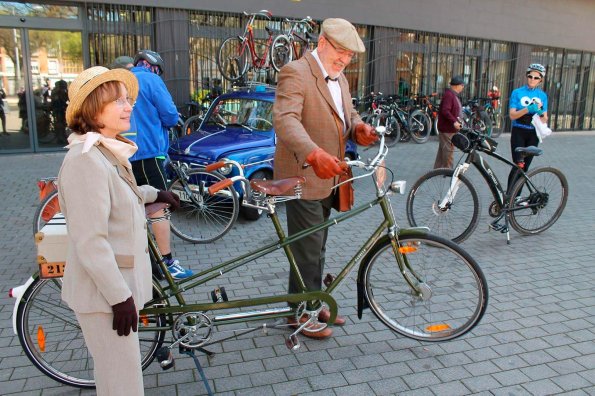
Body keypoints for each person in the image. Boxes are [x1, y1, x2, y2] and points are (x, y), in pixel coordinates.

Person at [57, 65, 181, 395]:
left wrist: (157, 194)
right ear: (94, 108)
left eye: (128, 99)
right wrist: (119, 298)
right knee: (121, 385)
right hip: (104, 298)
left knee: (120, 378)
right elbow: (90, 241)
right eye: (119, 101)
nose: (129, 107)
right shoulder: (85, 159)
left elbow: (120, 196)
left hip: (113, 294)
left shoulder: (105, 150)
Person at [273, 18, 378, 339]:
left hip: (330, 178)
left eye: (350, 55)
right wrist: (312, 153)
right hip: (303, 176)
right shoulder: (296, 72)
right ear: (322, 43)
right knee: (306, 249)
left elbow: (348, 115)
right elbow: (285, 119)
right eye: (340, 52)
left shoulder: (341, 79)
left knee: (316, 248)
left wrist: (359, 128)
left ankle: (312, 300)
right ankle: (300, 315)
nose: (344, 59)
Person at [123, 49, 194, 280]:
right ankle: (167, 263)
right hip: (148, 153)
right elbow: (170, 115)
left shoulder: (122, 79)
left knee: (135, 208)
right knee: (159, 207)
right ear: (152, 66)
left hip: (123, 155)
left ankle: (145, 263)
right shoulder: (149, 79)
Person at [506, 63, 548, 192]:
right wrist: (527, 109)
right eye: (530, 76)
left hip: (533, 134)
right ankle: (510, 195)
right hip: (519, 131)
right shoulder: (517, 92)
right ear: (527, 76)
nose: (532, 80)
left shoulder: (542, 96)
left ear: (540, 80)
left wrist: (540, 111)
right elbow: (512, 115)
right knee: (518, 164)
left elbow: (545, 118)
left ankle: (516, 197)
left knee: (526, 167)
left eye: (536, 78)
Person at [434, 75, 464, 169]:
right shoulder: (449, 95)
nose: (463, 87)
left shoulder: (451, 94)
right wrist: (454, 121)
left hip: (448, 128)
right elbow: (445, 110)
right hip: (447, 128)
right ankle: (448, 171)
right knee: (448, 151)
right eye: (462, 85)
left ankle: (437, 169)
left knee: (443, 150)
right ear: (457, 85)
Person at [50, 79, 69, 144]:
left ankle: (61, 136)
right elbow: (59, 101)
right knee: (60, 123)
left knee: (61, 123)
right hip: (59, 109)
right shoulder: (58, 92)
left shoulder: (57, 91)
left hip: (59, 109)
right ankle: (60, 137)